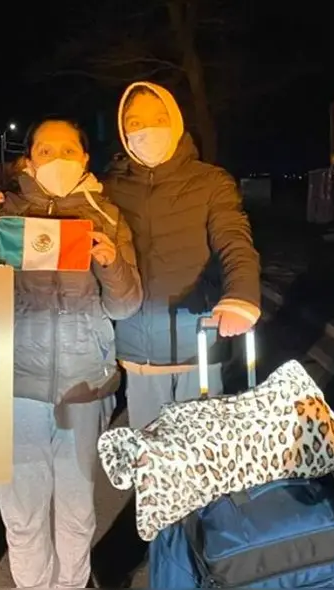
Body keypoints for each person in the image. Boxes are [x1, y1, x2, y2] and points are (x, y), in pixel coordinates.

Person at [0, 118, 142, 588]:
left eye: (70, 149)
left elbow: (126, 306)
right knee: (21, 512)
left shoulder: (106, 215)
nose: (59, 158)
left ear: (86, 158)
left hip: (84, 384)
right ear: (29, 159)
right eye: (47, 150)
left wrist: (111, 262)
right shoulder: (5, 215)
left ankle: (71, 584)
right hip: (17, 385)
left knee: (76, 508)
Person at [105, 81, 261, 429]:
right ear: (122, 130)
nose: (146, 129)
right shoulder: (109, 188)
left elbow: (234, 239)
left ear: (175, 121)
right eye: (134, 122)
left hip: (199, 346)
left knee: (199, 461)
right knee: (152, 460)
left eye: (158, 118)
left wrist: (241, 295)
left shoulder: (211, 182)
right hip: (138, 350)